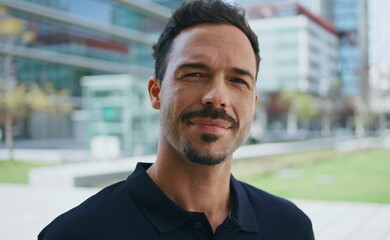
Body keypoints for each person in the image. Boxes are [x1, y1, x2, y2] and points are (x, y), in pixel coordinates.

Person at [38, 0, 314, 239]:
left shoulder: (291, 227)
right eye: (194, 74)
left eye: (238, 81)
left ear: (253, 103)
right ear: (156, 93)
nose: (217, 97)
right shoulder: (75, 234)